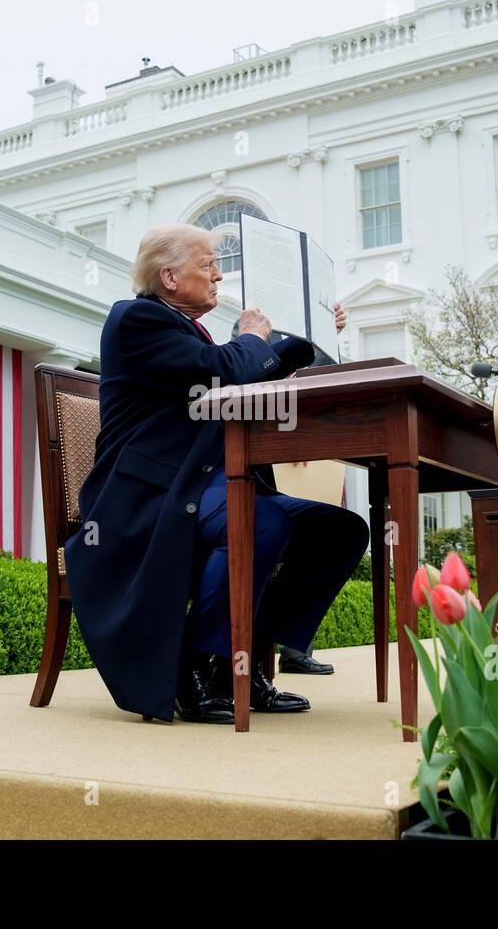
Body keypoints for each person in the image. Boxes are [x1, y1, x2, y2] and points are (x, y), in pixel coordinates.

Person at [62, 223, 370, 723]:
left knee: (340, 530)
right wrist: (250, 338)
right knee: (262, 521)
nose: (219, 276)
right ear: (167, 276)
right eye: (208, 264)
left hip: (203, 484)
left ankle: (239, 666)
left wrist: (307, 334)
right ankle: (197, 664)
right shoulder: (136, 318)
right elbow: (222, 371)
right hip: (148, 497)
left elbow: (242, 372)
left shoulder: (188, 331)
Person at [228, 316, 338, 676]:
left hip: (305, 459)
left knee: (326, 533)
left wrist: (325, 333)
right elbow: (240, 379)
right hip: (257, 466)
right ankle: (255, 658)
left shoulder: (303, 326)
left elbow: (322, 374)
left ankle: (290, 649)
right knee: (277, 529)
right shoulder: (250, 327)